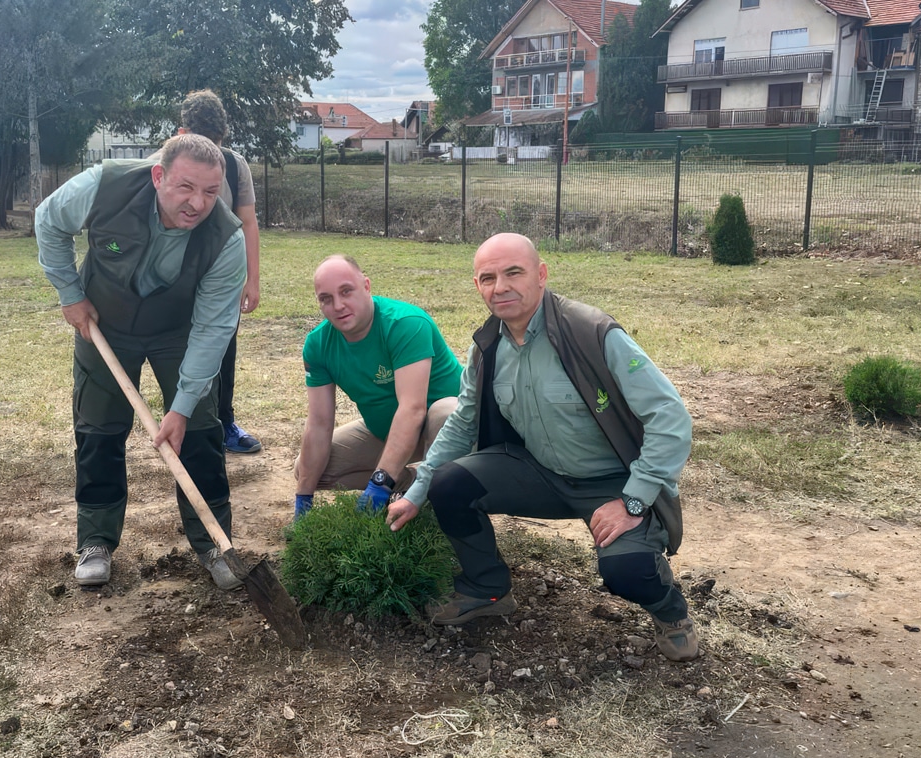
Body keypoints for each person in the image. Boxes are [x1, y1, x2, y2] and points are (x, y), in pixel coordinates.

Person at [386, 233, 698, 661]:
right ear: (477, 286)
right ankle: (487, 590)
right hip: (540, 473)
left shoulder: (591, 333)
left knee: (626, 571)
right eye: (487, 278)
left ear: (541, 275)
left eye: (514, 272)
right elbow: (462, 423)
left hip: (614, 483)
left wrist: (633, 502)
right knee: (449, 483)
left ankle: (671, 612)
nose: (500, 287)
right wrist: (416, 494)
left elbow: (670, 416)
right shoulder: (487, 347)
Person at [36, 133, 248, 591]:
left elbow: (213, 329)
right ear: (159, 176)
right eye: (186, 188)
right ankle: (95, 539)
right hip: (104, 323)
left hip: (178, 331)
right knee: (98, 429)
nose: (198, 203)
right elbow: (48, 221)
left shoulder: (226, 240)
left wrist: (183, 407)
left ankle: (214, 543)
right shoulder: (104, 186)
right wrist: (71, 295)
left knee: (201, 431)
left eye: (211, 192)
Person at [295, 255, 463, 518]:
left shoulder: (405, 324)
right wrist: (303, 499)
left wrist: (379, 483)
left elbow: (412, 410)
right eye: (326, 299)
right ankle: (413, 483)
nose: (338, 306)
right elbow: (319, 423)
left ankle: (442, 503)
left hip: (448, 432)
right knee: (312, 469)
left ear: (367, 286)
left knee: (446, 411)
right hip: (389, 431)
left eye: (346, 291)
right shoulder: (318, 345)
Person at [172, 89, 262, 454]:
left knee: (223, 348)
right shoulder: (164, 162)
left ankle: (224, 423)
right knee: (176, 349)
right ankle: (181, 422)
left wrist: (252, 279)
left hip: (220, 275)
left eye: (215, 146)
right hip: (175, 276)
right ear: (182, 135)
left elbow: (249, 222)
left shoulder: (235, 165)